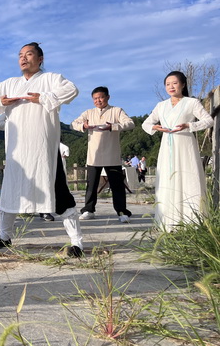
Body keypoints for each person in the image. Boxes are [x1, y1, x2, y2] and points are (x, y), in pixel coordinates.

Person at [0, 42, 83, 256]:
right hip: (17, 151)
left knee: (58, 191)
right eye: (20, 55)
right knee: (11, 191)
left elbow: (72, 89)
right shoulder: (10, 83)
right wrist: (1, 101)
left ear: (40, 59)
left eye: (29, 54)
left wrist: (44, 97)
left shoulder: (51, 79)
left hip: (43, 149)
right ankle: (5, 236)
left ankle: (76, 242)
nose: (23, 58)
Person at [142, 71, 213, 231]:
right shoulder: (161, 106)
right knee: (167, 179)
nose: (171, 87)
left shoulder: (192, 102)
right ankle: (169, 221)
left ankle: (192, 222)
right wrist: (156, 127)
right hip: (167, 146)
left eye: (174, 83)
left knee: (188, 177)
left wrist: (189, 125)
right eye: (168, 84)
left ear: (183, 84)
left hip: (185, 145)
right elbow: (145, 124)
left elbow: (208, 120)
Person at [71, 86, 135, 223]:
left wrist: (113, 126)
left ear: (108, 97)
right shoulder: (88, 113)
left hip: (112, 155)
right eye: (95, 98)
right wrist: (84, 126)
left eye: (100, 97)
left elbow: (130, 123)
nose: (98, 100)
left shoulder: (116, 111)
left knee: (117, 186)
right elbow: (73, 124)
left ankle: (122, 212)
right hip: (94, 155)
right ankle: (89, 210)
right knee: (91, 185)